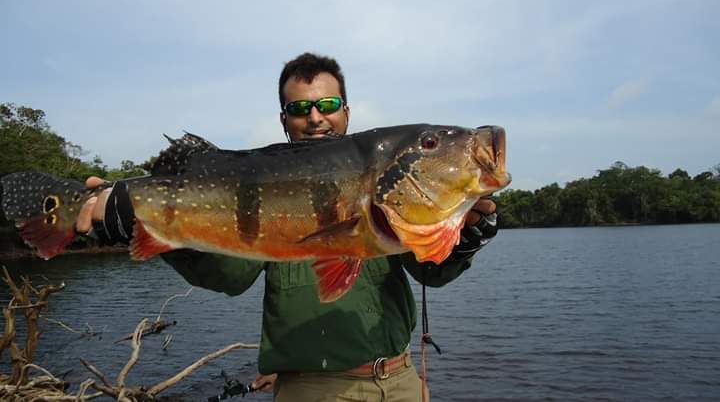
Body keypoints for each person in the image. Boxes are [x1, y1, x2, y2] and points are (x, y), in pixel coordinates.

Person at [76, 52, 498, 402]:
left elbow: (431, 272)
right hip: (309, 389)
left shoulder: (391, 193)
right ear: (284, 119)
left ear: (346, 112)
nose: (315, 117)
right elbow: (230, 275)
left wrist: (463, 246)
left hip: (402, 380)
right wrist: (144, 223)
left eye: (327, 105)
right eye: (300, 108)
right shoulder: (258, 183)